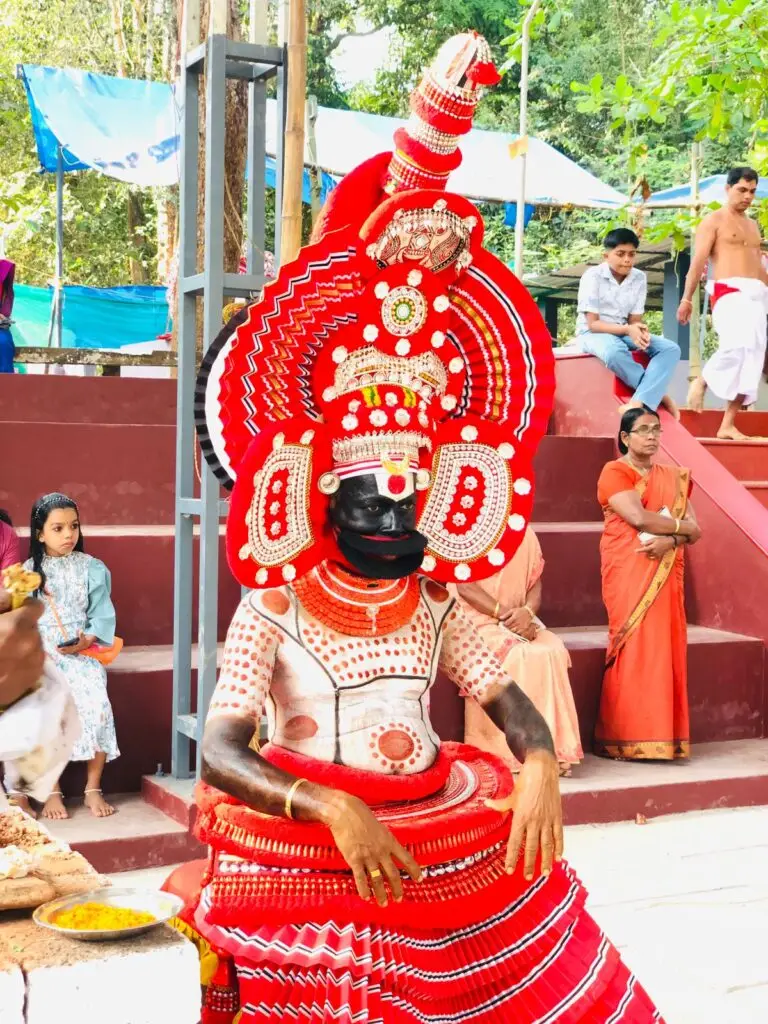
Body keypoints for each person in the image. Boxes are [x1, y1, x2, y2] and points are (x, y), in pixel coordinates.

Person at [165, 34, 666, 1023]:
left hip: (434, 814)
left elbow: (495, 680)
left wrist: (532, 765)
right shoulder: (274, 600)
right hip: (308, 833)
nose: (395, 513)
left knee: (539, 950)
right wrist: (329, 804)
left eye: (410, 494)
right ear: (322, 494)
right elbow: (223, 747)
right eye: (373, 498)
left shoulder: (432, 598)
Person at [595, 407, 701, 761]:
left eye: (657, 429)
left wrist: (671, 540)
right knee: (633, 646)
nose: (652, 436)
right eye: (643, 430)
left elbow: (696, 529)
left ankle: (663, 737)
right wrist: (680, 530)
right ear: (625, 437)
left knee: (663, 649)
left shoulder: (673, 477)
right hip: (629, 570)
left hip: (664, 570)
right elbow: (637, 517)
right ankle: (624, 737)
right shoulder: (614, 472)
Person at [451, 526, 583, 776]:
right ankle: (512, 754)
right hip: (474, 622)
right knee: (521, 656)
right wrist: (506, 616)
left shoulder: (525, 532)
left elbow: (535, 584)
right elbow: (464, 587)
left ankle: (550, 752)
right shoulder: (467, 528)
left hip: (519, 621)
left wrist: (527, 614)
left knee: (551, 649)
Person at [26, 493, 119, 818]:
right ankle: (52, 790)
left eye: (74, 526)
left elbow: (102, 613)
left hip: (82, 653)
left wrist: (86, 639)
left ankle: (93, 787)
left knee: (97, 704)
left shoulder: (92, 568)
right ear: (40, 533)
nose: (68, 535)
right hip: (41, 655)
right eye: (58, 528)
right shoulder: (26, 574)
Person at [678, 167, 768, 439]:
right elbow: (697, 263)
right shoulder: (713, 220)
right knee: (736, 345)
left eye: (752, 191)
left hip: (758, 294)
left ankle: (727, 424)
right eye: (742, 189)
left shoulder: (753, 226)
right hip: (729, 291)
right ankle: (703, 380)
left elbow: (759, 266)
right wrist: (685, 298)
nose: (747, 196)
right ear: (728, 189)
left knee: (752, 358)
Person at [577, 228, 681, 418]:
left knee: (670, 348)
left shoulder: (639, 277)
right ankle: (658, 395)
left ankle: (638, 400)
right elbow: (593, 324)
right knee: (613, 352)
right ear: (606, 255)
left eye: (632, 254)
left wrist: (639, 331)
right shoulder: (592, 276)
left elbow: (634, 321)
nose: (627, 260)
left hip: (624, 332)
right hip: (593, 334)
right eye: (620, 254)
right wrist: (628, 329)